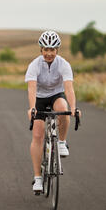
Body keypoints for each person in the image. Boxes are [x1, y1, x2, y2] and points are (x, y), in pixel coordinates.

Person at [25, 30, 81, 193]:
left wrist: (73, 108)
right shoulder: (34, 65)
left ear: (57, 50)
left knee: (63, 109)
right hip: (40, 99)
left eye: (52, 50)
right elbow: (31, 88)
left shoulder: (63, 64)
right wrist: (32, 108)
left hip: (56, 95)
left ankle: (62, 142)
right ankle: (38, 178)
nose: (49, 53)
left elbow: (69, 88)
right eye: (46, 50)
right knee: (37, 135)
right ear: (41, 50)